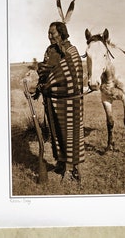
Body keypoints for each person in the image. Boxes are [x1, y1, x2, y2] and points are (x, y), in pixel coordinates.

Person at [33, 21, 85, 182]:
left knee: (70, 135)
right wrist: (39, 86)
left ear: (61, 33)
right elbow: (44, 69)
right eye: (48, 33)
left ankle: (72, 170)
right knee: (56, 134)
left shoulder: (71, 50)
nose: (49, 36)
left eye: (52, 33)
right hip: (52, 101)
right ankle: (61, 163)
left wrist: (49, 81)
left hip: (69, 102)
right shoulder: (49, 51)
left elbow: (72, 72)